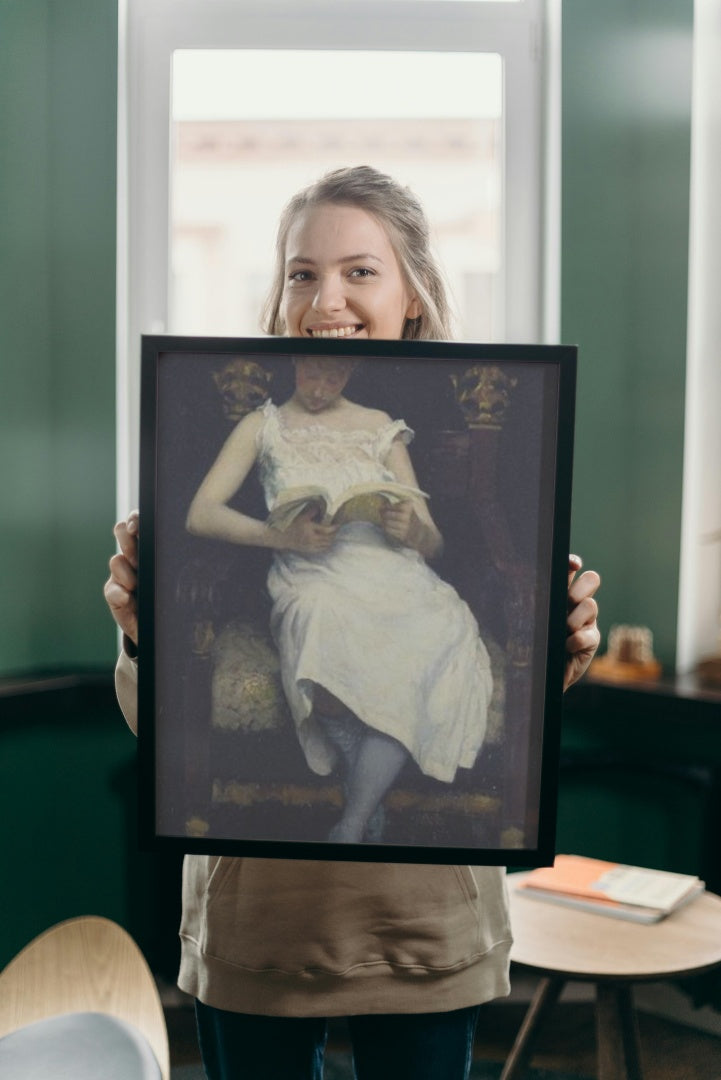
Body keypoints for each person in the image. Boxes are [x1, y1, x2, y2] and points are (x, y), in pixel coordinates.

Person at [105, 166, 601, 1080]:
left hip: (420, 922)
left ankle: (359, 802)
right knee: (328, 620)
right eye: (301, 273)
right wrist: (145, 634)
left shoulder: (398, 421)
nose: (324, 300)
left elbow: (436, 531)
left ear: (412, 293)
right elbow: (158, 723)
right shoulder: (255, 415)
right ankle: (343, 741)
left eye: (359, 271)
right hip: (262, 922)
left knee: (436, 631)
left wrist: (563, 649)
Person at [184, 352, 494, 844]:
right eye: (312, 371)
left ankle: (352, 821)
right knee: (319, 622)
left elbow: (434, 542)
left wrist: (412, 528)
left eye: (336, 373)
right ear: (294, 364)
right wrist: (282, 538)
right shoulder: (262, 425)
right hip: (312, 573)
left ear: (351, 371)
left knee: (435, 633)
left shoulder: (380, 429)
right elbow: (201, 514)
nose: (322, 385)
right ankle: (364, 792)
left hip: (392, 574)